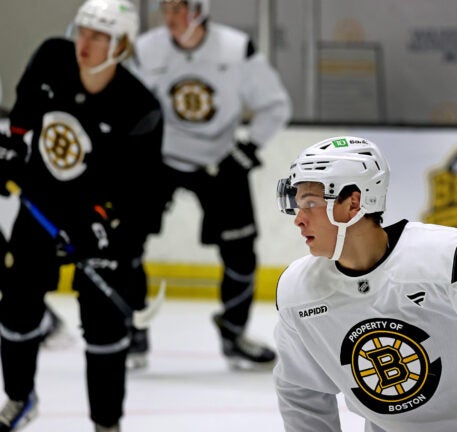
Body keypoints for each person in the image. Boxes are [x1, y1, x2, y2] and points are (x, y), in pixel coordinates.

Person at [273, 136, 457, 431]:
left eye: (311, 203)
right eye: (298, 204)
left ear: (353, 203)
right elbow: (302, 393)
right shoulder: (297, 291)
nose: (299, 219)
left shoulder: (446, 256)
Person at [0, 0, 166, 430]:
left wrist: (109, 230)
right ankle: (19, 398)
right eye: (83, 31)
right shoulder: (53, 57)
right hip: (39, 209)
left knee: (105, 329)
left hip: (96, 224)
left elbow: (143, 193)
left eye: (98, 35)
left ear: (121, 44)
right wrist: (14, 145)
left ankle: (106, 423)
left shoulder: (139, 107)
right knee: (16, 308)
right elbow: (24, 106)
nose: (84, 43)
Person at [129, 0, 292, 371]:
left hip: (219, 159)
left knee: (242, 253)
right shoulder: (147, 48)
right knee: (126, 240)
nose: (171, 18)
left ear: (200, 10)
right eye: (166, 10)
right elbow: (129, 104)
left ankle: (233, 333)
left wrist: (247, 149)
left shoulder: (236, 48)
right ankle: (132, 328)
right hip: (160, 156)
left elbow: (275, 105)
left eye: (179, 9)